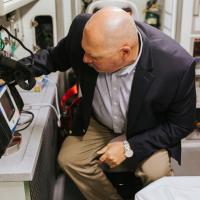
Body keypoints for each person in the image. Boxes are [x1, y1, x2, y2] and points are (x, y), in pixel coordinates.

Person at [21, 7, 196, 200]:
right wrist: (10, 73)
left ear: (125, 52)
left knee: (155, 173)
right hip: (99, 124)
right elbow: (53, 58)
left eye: (94, 57)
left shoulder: (176, 65)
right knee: (70, 159)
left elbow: (182, 125)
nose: (85, 59)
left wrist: (130, 146)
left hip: (147, 128)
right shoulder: (84, 31)